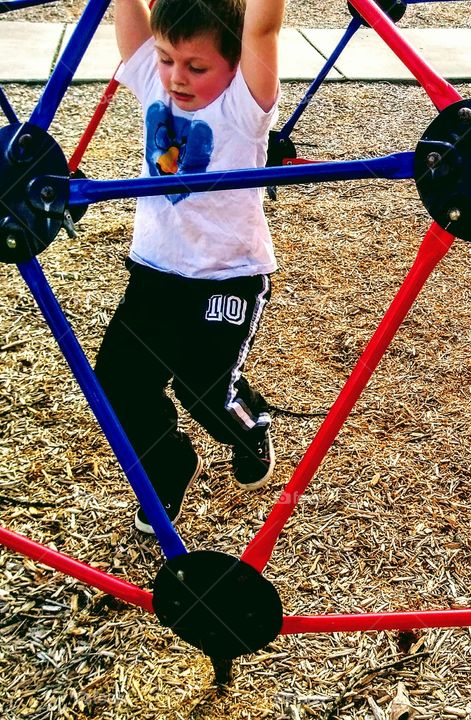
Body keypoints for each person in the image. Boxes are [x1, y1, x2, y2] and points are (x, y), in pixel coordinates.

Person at [95, 0, 285, 534]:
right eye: (167, 59)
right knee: (117, 384)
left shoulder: (245, 108)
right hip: (155, 271)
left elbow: (264, 24)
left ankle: (250, 426)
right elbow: (129, 13)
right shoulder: (156, 87)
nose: (177, 77)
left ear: (234, 63)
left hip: (226, 277)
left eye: (196, 67)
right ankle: (168, 464)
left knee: (204, 390)